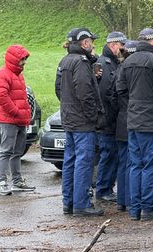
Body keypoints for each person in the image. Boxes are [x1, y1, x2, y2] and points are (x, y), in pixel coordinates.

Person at [117, 28, 153, 221]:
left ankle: (135, 208)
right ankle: (149, 207)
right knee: (152, 164)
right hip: (151, 121)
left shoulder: (128, 61)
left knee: (135, 164)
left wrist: (134, 103)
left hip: (133, 120)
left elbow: (120, 89)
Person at [56, 27, 104, 216]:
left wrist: (70, 108)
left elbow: (58, 89)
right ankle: (82, 204)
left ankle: (69, 202)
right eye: (91, 40)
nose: (92, 44)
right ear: (84, 43)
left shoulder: (65, 61)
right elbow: (85, 93)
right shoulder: (81, 62)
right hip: (82, 121)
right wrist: (92, 115)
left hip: (69, 119)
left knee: (70, 160)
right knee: (84, 162)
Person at [0, 45, 35, 196]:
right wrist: (16, 112)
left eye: (25, 59)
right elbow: (1, 97)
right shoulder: (3, 74)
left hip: (20, 120)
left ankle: (17, 182)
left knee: (17, 152)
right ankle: (1, 183)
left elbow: (21, 98)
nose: (24, 62)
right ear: (14, 59)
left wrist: (25, 115)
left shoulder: (19, 75)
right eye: (22, 59)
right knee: (6, 151)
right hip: (9, 120)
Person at [94, 31, 128, 203]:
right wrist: (111, 116)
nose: (124, 50)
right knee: (108, 155)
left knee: (111, 154)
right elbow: (106, 94)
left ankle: (107, 187)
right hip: (107, 120)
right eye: (122, 46)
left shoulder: (112, 63)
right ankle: (103, 189)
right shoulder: (105, 64)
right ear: (113, 45)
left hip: (110, 119)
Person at [115, 40, 138, 212]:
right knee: (131, 161)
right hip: (130, 120)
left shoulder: (119, 69)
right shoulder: (130, 71)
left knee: (124, 162)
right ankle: (130, 200)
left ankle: (123, 200)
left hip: (121, 120)